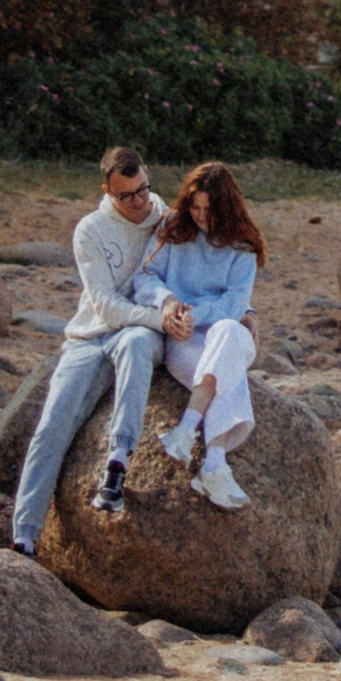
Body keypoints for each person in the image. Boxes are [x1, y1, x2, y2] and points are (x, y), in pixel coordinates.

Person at [9, 144, 166, 553]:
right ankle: (24, 535)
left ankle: (118, 462)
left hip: (136, 335)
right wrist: (158, 320)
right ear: (107, 191)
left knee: (135, 344)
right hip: (91, 335)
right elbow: (105, 304)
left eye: (143, 189)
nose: (138, 202)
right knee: (52, 425)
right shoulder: (90, 229)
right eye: (126, 195)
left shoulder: (165, 218)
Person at [133, 157, 264, 511]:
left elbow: (236, 304)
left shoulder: (243, 248)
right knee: (229, 377)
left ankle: (187, 427)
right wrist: (169, 303)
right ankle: (214, 463)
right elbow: (145, 277)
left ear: (227, 207)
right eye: (195, 207)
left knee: (231, 331)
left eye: (209, 209)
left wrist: (197, 313)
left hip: (221, 337)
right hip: (184, 341)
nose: (201, 217)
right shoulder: (174, 227)